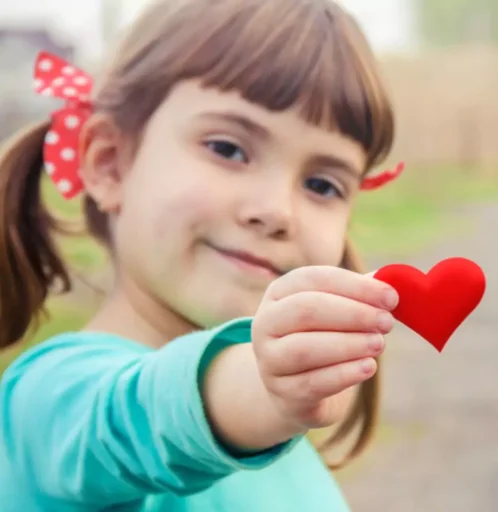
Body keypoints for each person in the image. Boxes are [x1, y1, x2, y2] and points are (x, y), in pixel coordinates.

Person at [0, 0, 407, 509]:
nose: (277, 211)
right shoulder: (53, 399)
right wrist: (258, 388)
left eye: (322, 184)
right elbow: (134, 420)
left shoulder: (279, 432)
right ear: (110, 165)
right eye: (228, 148)